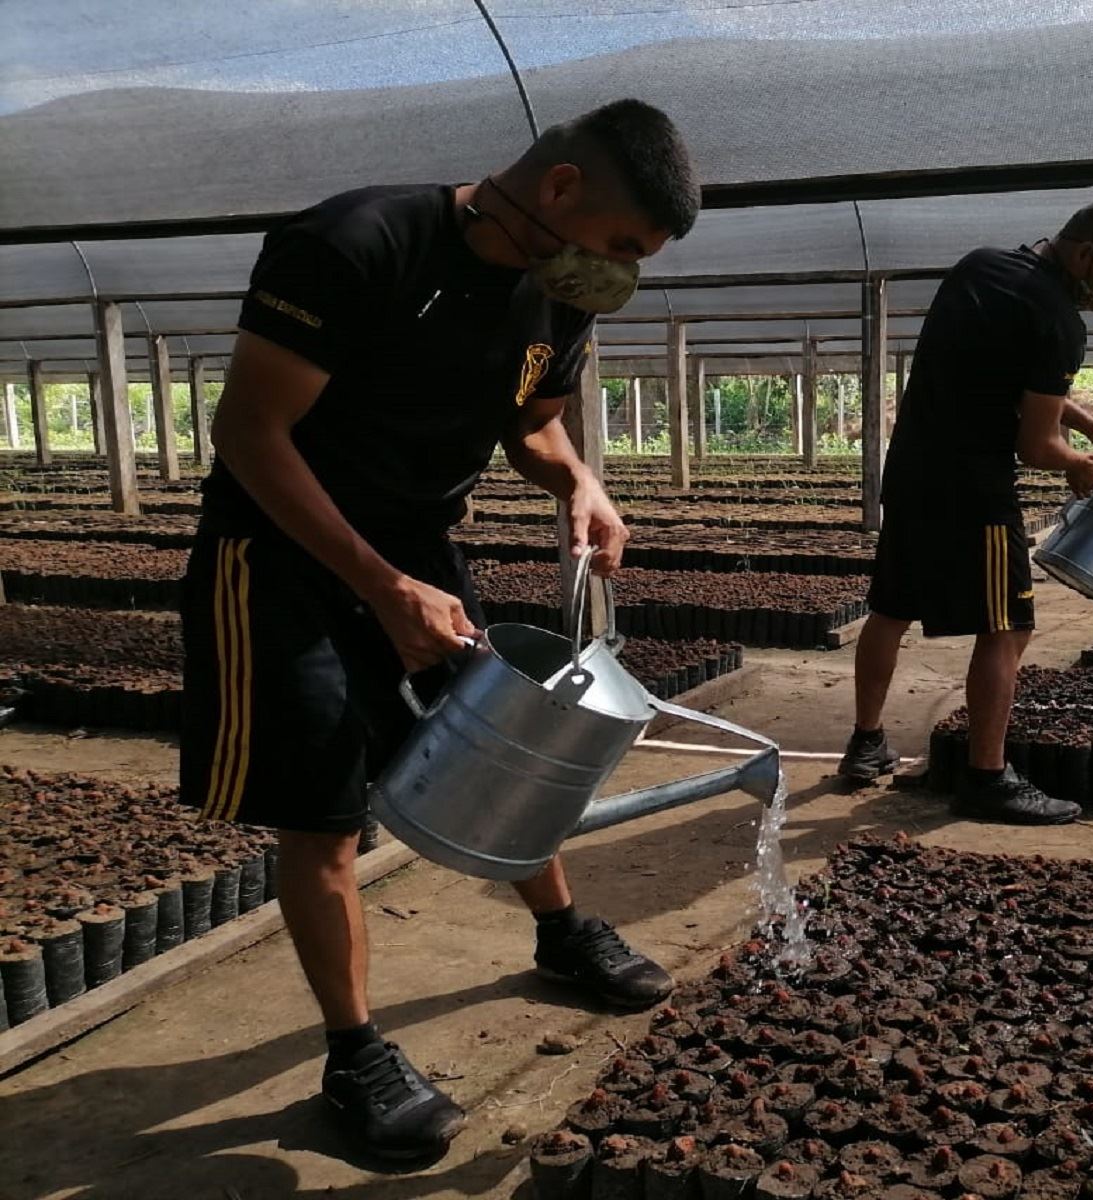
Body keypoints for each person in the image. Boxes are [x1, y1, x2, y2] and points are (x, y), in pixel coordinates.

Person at [180, 100, 701, 1162]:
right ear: (558, 190)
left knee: (509, 738)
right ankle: (355, 1053)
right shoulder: (358, 244)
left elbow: (533, 421)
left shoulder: (558, 293)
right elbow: (247, 432)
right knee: (323, 811)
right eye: (619, 248)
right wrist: (378, 586)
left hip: (414, 543)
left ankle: (561, 933)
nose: (617, 275)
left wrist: (579, 483)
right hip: (278, 553)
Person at [837, 196, 1093, 824]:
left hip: (911, 473)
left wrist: (1092, 429)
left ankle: (866, 742)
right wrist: (1079, 466)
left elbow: (1011, 374)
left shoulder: (978, 267)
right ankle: (987, 776)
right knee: (1009, 626)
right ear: (1086, 254)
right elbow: (1034, 446)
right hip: (972, 490)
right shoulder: (1060, 319)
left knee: (892, 609)